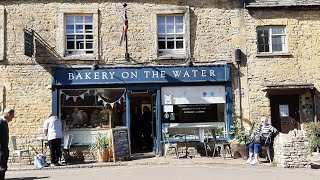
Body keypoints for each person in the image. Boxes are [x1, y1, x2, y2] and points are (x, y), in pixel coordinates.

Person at [0, 108, 15, 180]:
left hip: (4, 148)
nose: (12, 118)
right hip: (1, 149)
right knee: (1, 167)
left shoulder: (4, 122)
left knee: (3, 166)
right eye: (12, 116)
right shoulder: (1, 122)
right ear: (8, 115)